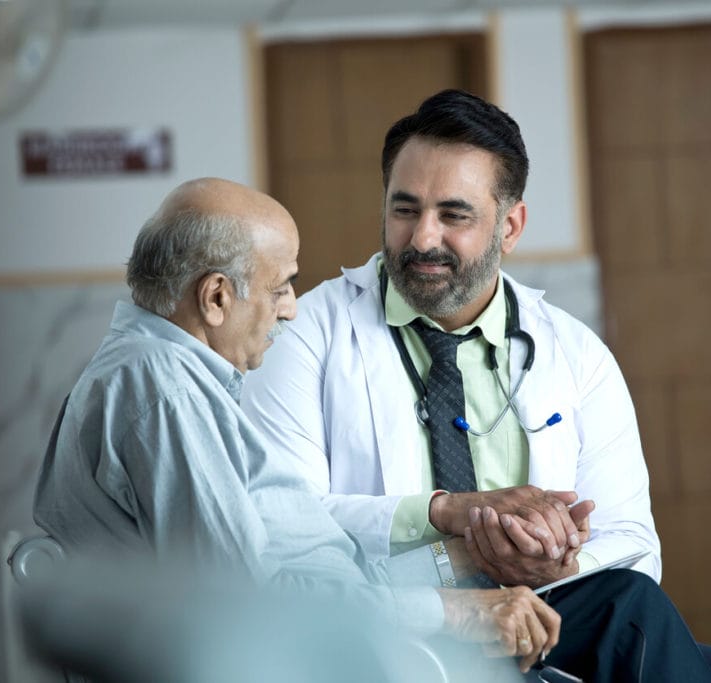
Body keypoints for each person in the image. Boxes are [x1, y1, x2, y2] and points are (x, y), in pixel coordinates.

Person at [241, 90, 711, 682]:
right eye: (404, 209)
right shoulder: (307, 335)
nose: (421, 239)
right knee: (642, 623)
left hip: (545, 609)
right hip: (402, 623)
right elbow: (279, 526)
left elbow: (635, 543)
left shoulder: (577, 354)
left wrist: (550, 566)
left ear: (510, 225)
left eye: (454, 214)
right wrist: (447, 518)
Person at [32, 177, 563, 679]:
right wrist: (457, 612)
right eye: (282, 287)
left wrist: (469, 557)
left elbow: (317, 577)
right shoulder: (162, 388)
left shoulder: (165, 375)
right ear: (216, 298)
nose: (289, 311)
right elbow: (245, 605)